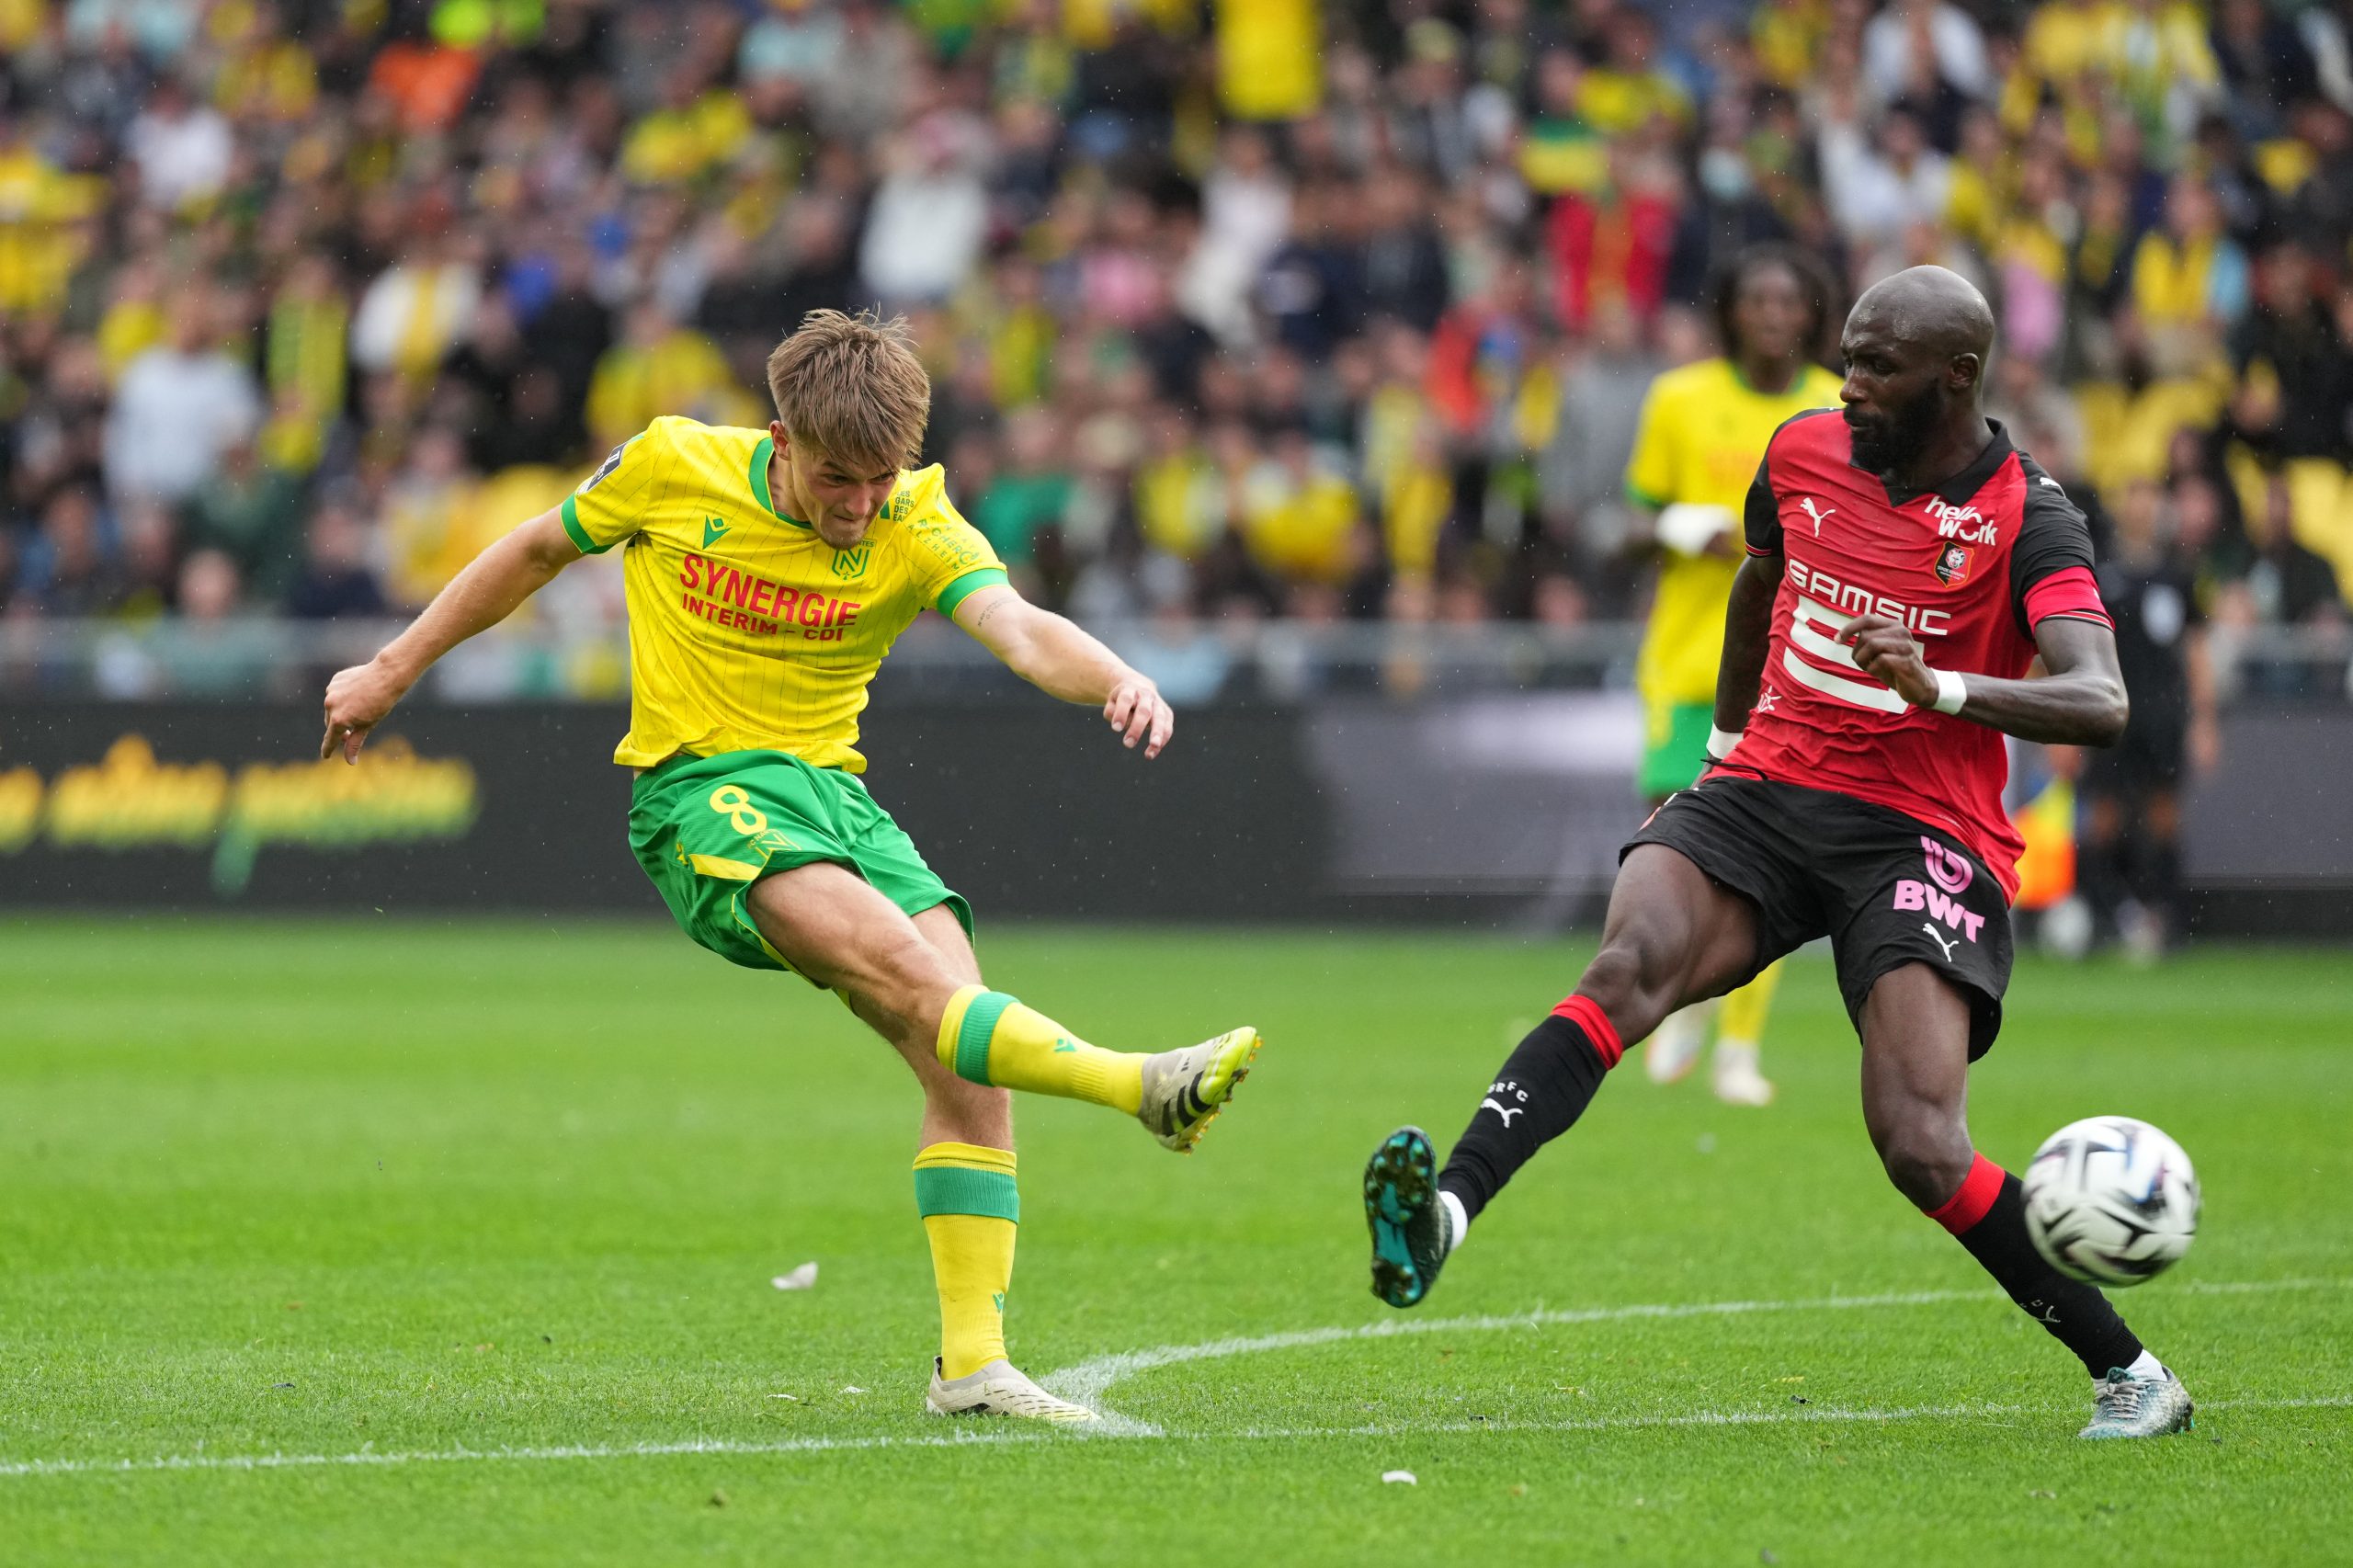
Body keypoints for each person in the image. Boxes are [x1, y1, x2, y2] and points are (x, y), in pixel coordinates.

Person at [321, 310, 1262, 1426]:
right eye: (835, 478)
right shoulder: (674, 466)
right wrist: (390, 666)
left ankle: (973, 1367)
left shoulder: (915, 515)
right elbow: (533, 549)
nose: (858, 503)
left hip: (841, 805)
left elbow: (1012, 622)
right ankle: (1139, 1085)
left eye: (879, 479)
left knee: (967, 1073)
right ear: (780, 436)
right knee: (922, 986)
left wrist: (1117, 675)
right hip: (701, 792)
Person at [1360, 267, 2195, 1440]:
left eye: (1876, 366)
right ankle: (1442, 1212)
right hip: (1762, 788)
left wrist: (1940, 683)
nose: (1848, 384)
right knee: (1625, 966)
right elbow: (1761, 575)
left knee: (1917, 1140)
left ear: (1956, 377)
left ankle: (2132, 1373)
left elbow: (2098, 697)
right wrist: (1720, 748)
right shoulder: (1801, 451)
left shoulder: (2025, 514)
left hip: (1921, 830)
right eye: (1845, 357)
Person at [1622, 244, 1847, 1105]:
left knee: (1777, 861)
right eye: (1757, 299)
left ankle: (1737, 1053)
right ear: (1731, 312)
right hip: (1687, 661)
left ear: (1811, 313)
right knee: (1673, 846)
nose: (1773, 315)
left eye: (1790, 301)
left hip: (1794, 663)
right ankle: (1680, 994)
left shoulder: (1835, 403)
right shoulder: (1679, 399)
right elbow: (1625, 524)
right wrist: (1679, 527)